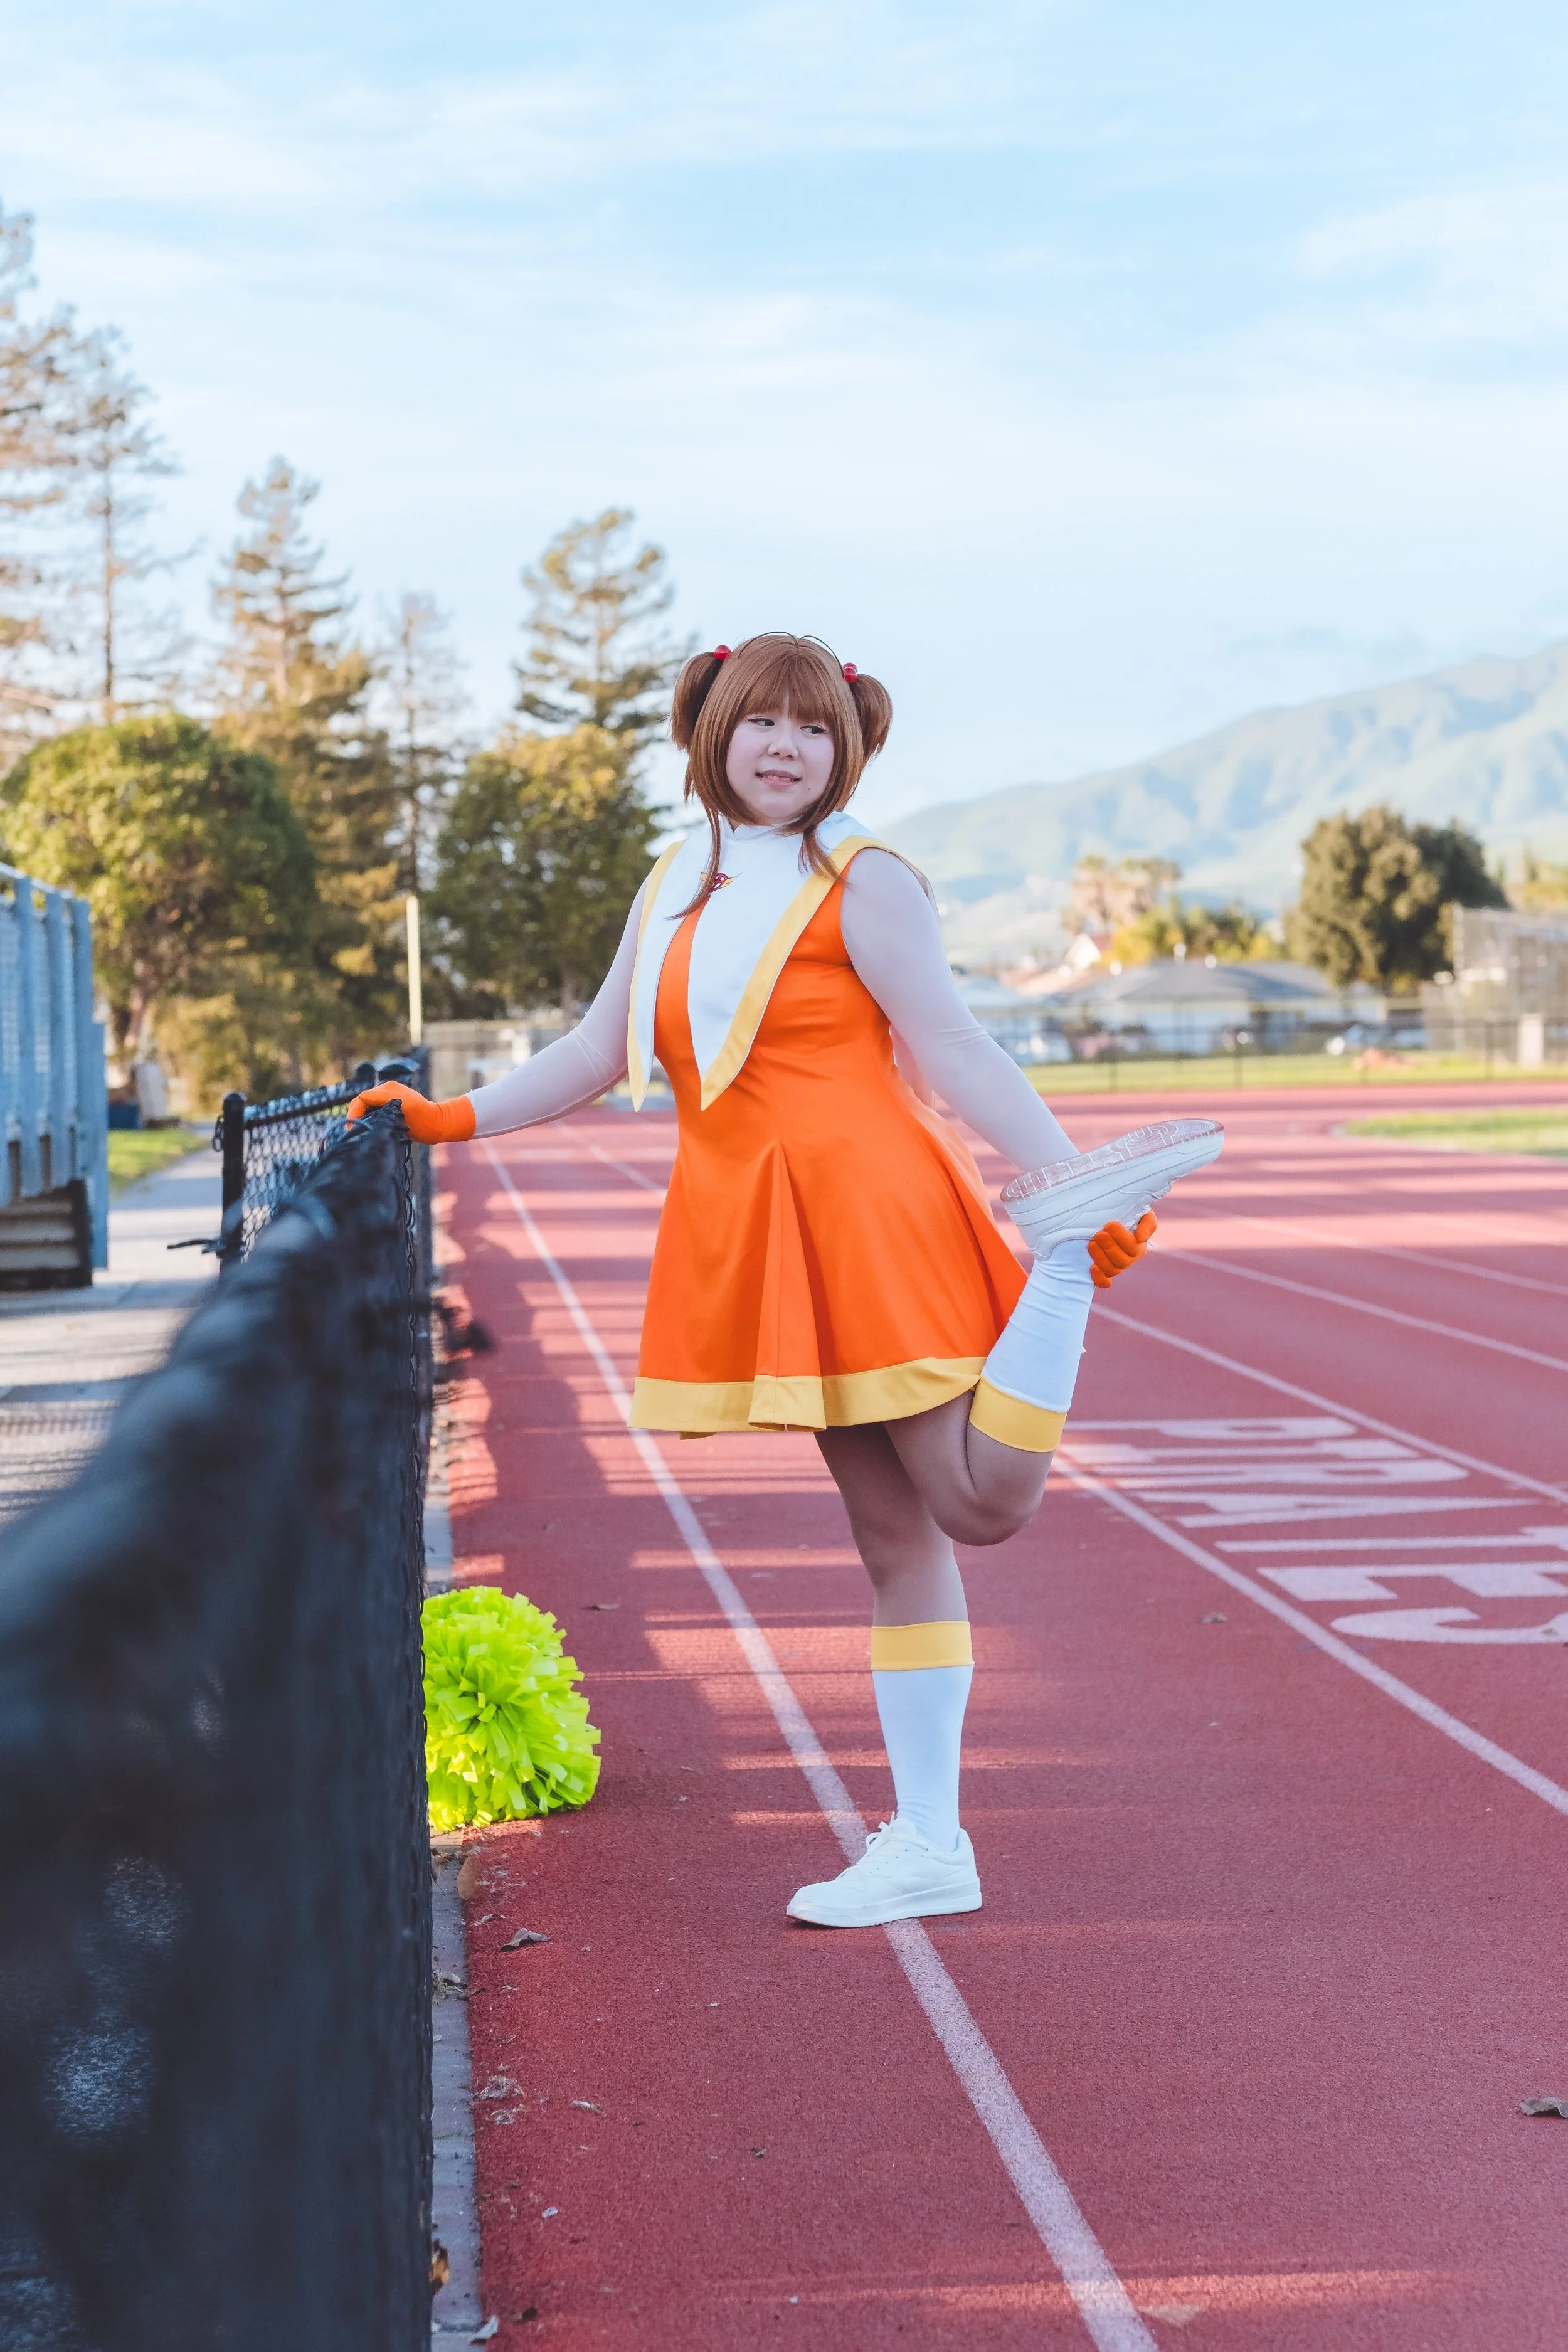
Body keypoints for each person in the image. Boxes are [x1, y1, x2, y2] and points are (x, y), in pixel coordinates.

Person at [351, 633, 1222, 1929]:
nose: (783, 748)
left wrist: (1059, 1173)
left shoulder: (863, 880)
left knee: (977, 1506)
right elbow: (599, 1046)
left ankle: (1060, 1265)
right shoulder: (681, 875)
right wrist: (448, 1121)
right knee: (895, 1541)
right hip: (768, 1227)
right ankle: (929, 1841)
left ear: (845, 748)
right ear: (709, 732)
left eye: (812, 730)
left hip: (864, 1207)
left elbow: (952, 1044)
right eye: (759, 721)